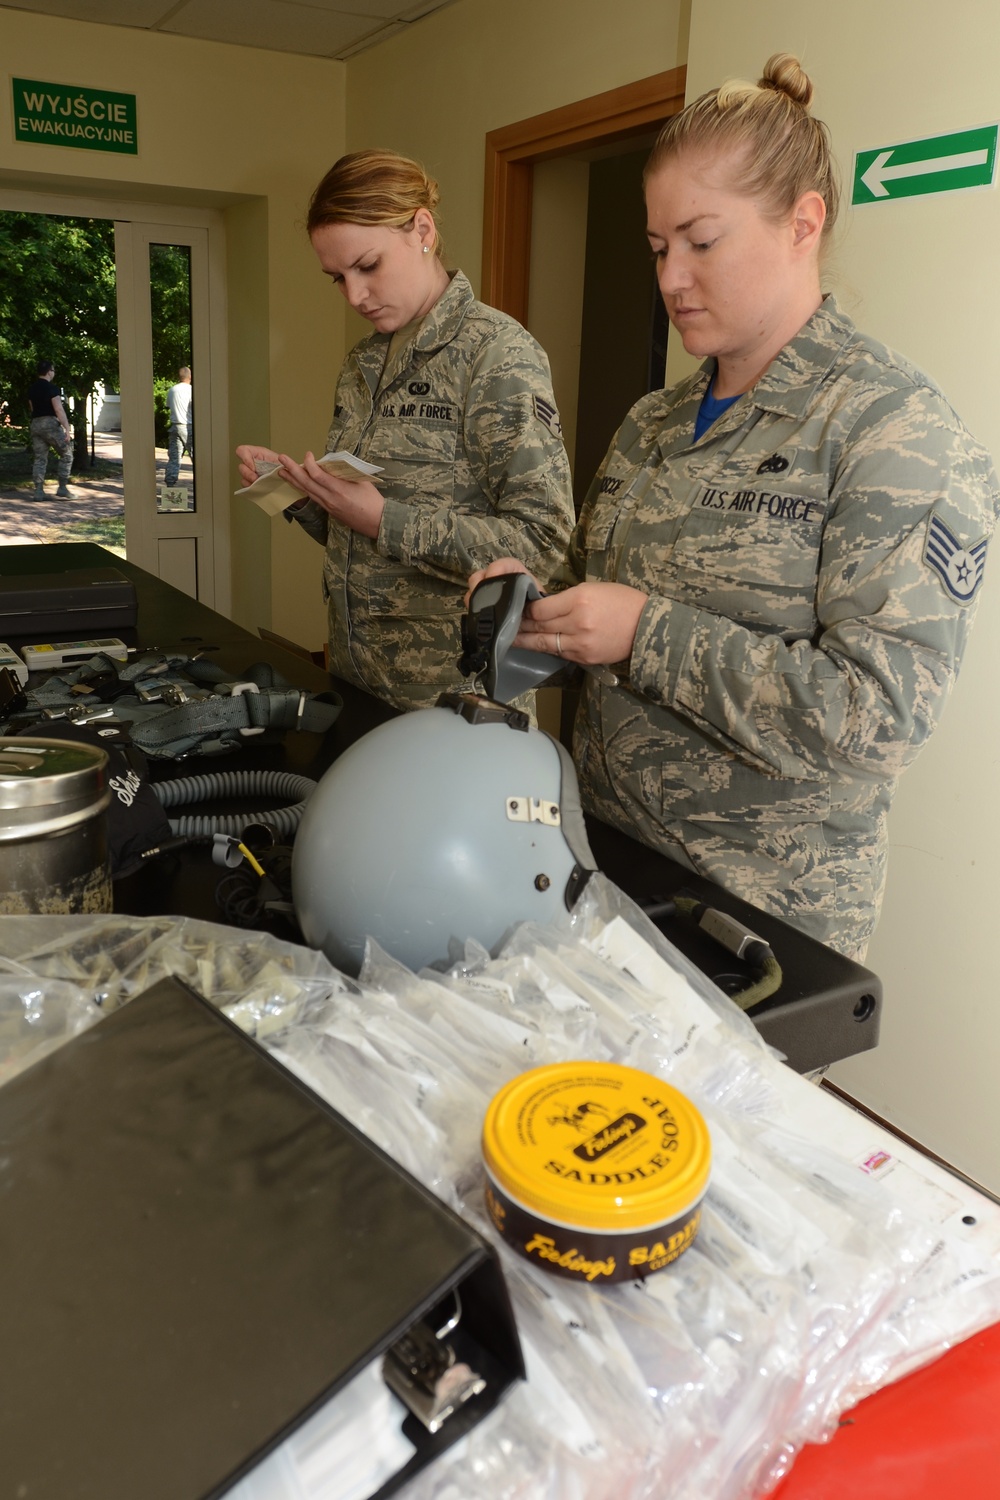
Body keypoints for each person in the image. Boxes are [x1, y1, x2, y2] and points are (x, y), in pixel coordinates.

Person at [468, 53, 999, 961]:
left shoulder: (894, 431)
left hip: (760, 927)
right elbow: (604, 612)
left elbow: (872, 723)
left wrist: (645, 632)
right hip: (602, 873)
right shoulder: (654, 421)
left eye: (701, 241)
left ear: (804, 222)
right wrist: (536, 614)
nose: (671, 277)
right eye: (657, 247)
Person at [236, 148, 574, 713]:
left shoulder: (497, 354)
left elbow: (540, 543)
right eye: (336, 278)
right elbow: (362, 534)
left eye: (367, 266)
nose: (354, 295)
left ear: (422, 229)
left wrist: (382, 519)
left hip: (454, 703)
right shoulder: (362, 363)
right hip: (357, 681)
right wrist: (299, 495)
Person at [26, 359, 72, 500]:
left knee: (40, 458)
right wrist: (67, 428)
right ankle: (62, 488)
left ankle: (38, 491)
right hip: (50, 424)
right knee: (67, 453)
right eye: (53, 370)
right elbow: (58, 409)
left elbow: (32, 408)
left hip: (36, 424)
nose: (54, 373)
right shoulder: (52, 388)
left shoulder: (31, 389)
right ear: (48, 372)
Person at [164, 366, 192, 486]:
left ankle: (170, 485)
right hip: (188, 426)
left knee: (174, 457)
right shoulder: (191, 390)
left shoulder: (172, 390)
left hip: (175, 426)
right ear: (190, 377)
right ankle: (203, 483)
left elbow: (168, 406)